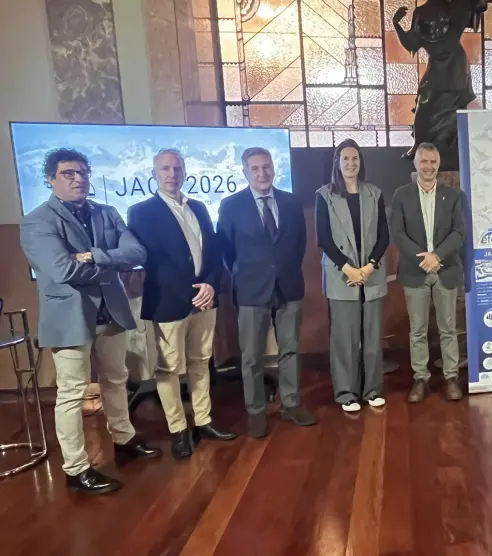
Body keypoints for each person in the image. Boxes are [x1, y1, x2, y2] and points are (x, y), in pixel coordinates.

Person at [20, 149, 162, 494]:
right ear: (50, 180)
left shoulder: (106, 212)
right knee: (72, 393)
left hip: (110, 311)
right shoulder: (37, 221)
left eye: (83, 172)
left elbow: (137, 254)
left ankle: (124, 438)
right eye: (68, 173)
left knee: (116, 379)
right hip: (70, 317)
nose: (79, 179)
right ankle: (76, 469)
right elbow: (63, 270)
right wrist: (110, 264)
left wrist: (91, 256)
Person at [128, 149, 237, 459]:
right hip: (168, 303)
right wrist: (191, 291)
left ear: (185, 172)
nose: (172, 174)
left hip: (205, 299)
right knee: (169, 369)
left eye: (177, 168)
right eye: (165, 168)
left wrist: (211, 284)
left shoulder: (199, 207)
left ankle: (203, 421)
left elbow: (213, 252)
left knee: (201, 362)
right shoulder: (141, 212)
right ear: (154, 174)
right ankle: (178, 430)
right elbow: (153, 262)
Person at [217, 147, 315, 437]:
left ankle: (291, 404)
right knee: (251, 357)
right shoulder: (231, 205)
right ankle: (256, 412)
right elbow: (226, 250)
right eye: (255, 168)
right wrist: (245, 273)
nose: (262, 173)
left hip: (288, 286)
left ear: (274, 168)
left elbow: (299, 244)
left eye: (267, 167)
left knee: (291, 349)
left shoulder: (291, 202)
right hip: (251, 290)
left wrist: (283, 270)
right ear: (245, 172)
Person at [316, 139, 390, 412]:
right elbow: (323, 238)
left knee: (372, 337)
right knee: (344, 340)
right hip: (342, 276)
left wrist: (369, 267)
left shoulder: (374, 193)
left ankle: (372, 390)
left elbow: (383, 236)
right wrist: (348, 268)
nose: (350, 163)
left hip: (371, 274)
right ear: (337, 162)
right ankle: (346, 393)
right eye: (345, 159)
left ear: (361, 162)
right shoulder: (324, 195)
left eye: (355, 158)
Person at [390, 142, 465, 403]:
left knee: (448, 329)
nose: (429, 167)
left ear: (438, 164)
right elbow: (398, 233)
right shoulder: (401, 195)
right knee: (418, 330)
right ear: (416, 164)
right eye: (424, 161)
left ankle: (451, 377)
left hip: (446, 269)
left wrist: (437, 256)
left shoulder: (453, 196)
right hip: (415, 270)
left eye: (433, 162)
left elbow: (459, 232)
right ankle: (420, 378)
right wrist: (423, 258)